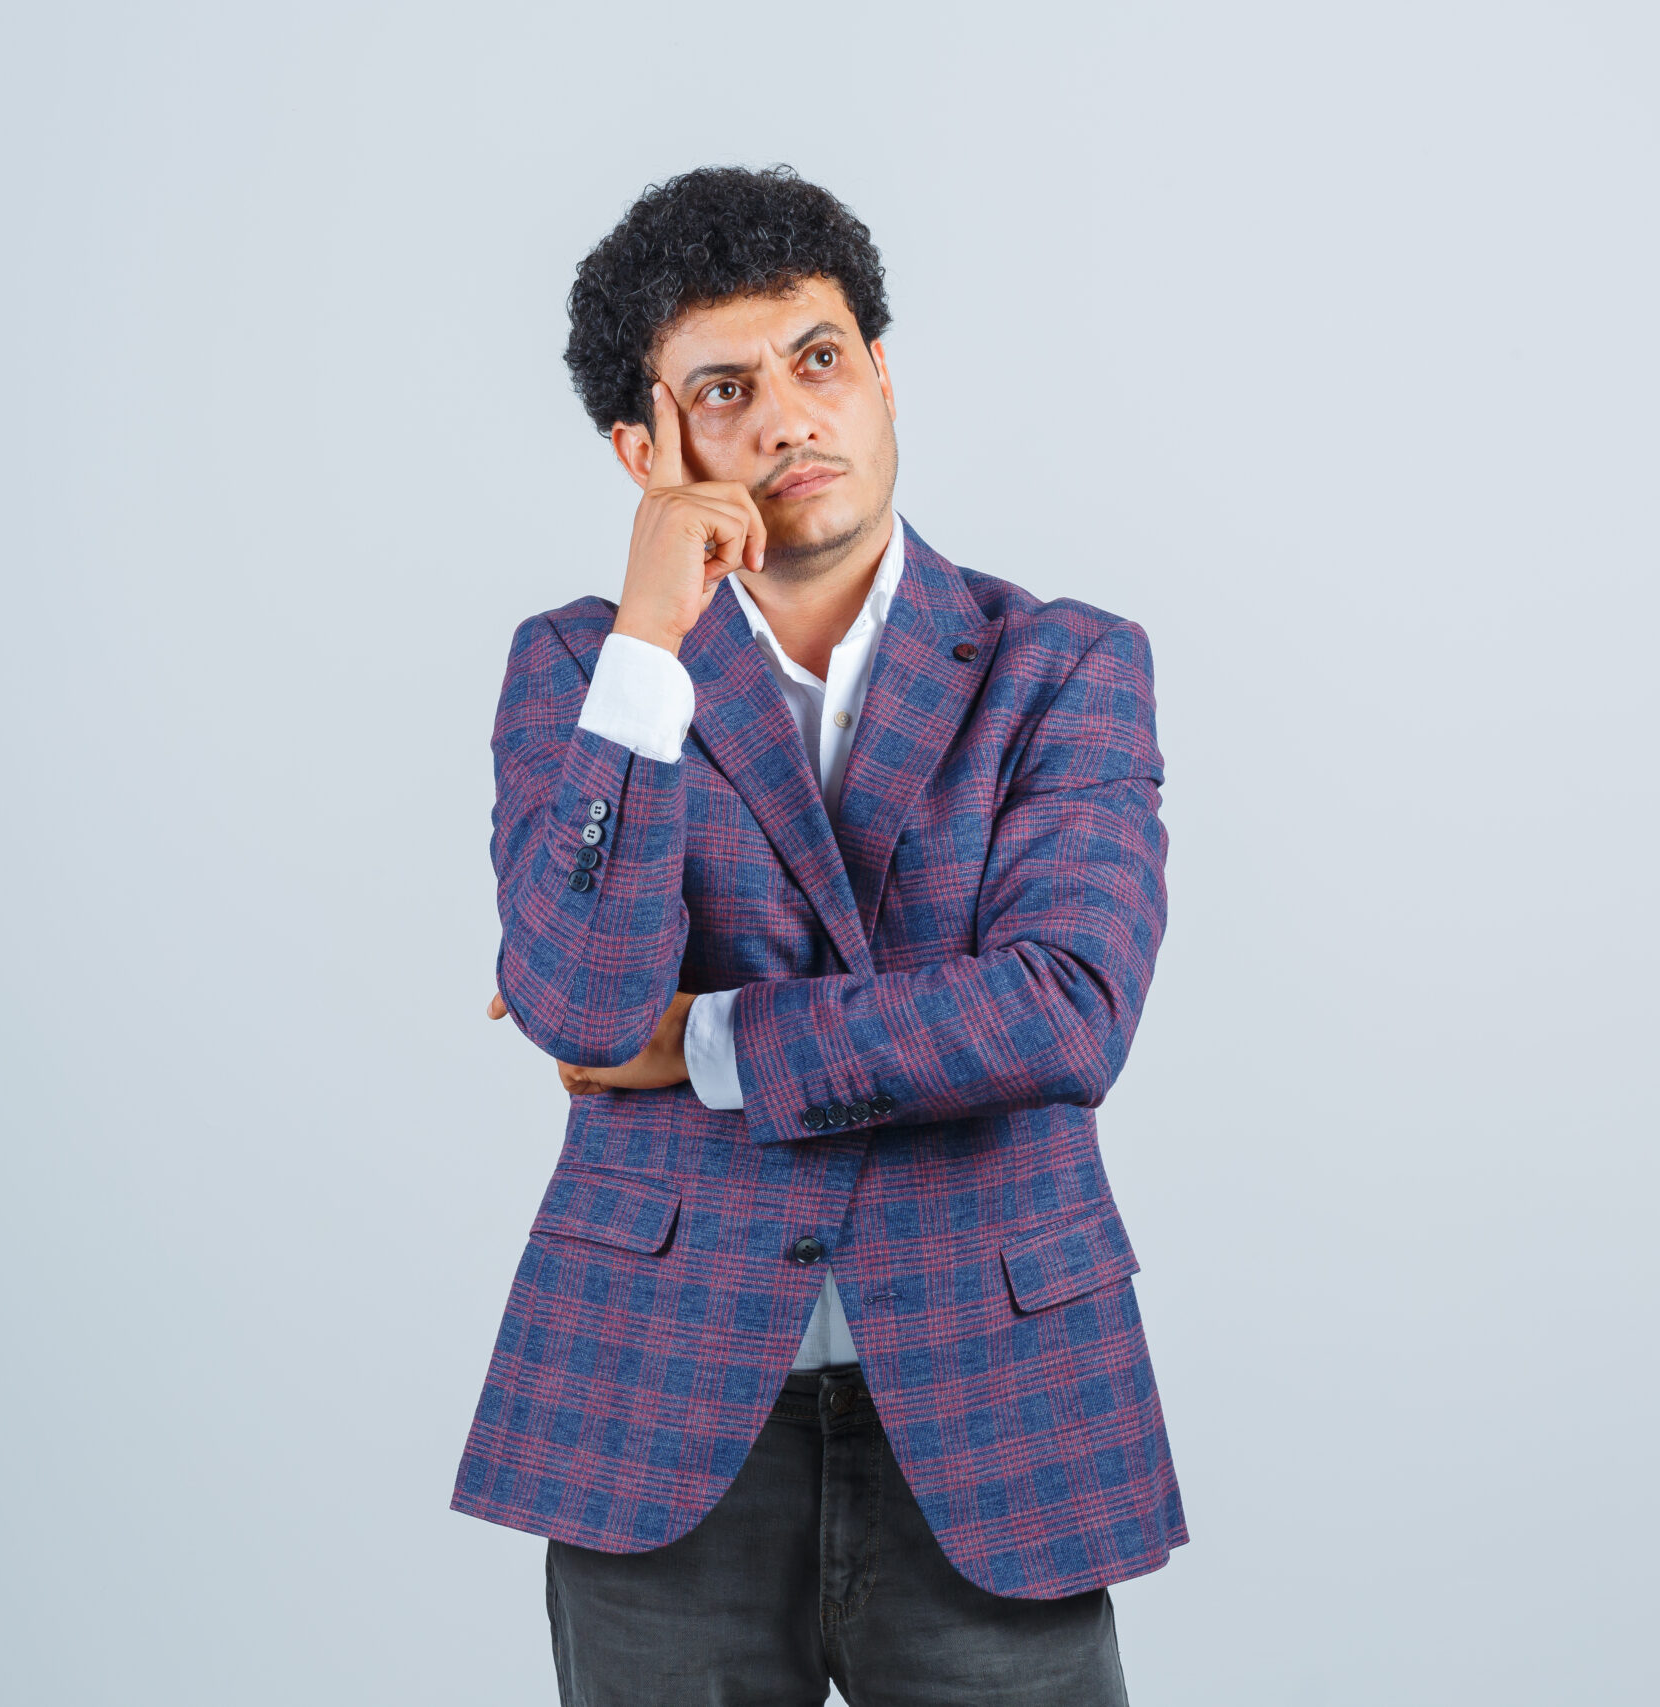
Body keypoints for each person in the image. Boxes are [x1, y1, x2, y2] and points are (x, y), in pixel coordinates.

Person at [454, 166, 1183, 1707]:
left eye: (820, 358)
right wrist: (650, 642)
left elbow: (1065, 1011)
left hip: (993, 1390)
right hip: (664, 1401)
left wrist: (710, 1039)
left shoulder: (1061, 666)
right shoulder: (582, 670)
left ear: (882, 375)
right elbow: (585, 1009)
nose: (791, 417)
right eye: (727, 389)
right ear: (645, 450)